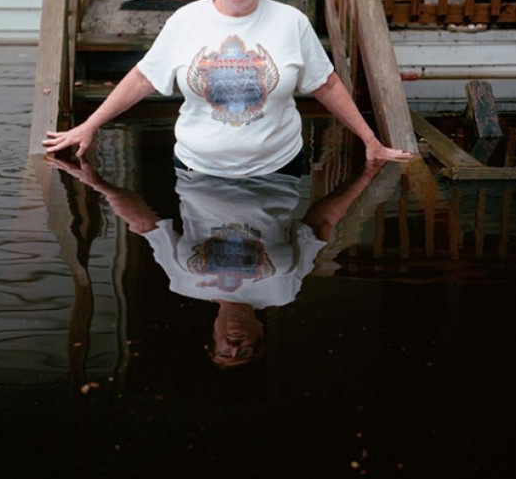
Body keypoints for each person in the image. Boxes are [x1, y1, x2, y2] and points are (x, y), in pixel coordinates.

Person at [43, 0, 413, 174]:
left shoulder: (292, 22)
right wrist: (90, 125)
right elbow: (143, 78)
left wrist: (371, 141)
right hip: (196, 173)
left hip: (278, 171)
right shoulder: (185, 21)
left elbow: (326, 84)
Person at [49, 154, 386, 367]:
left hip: (200, 167)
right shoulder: (283, 291)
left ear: (214, 333)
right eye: (246, 350)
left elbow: (145, 224)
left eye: (225, 351)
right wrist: (367, 173)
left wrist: (95, 183)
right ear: (260, 331)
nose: (235, 346)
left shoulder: (183, 283)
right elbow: (320, 223)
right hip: (276, 168)